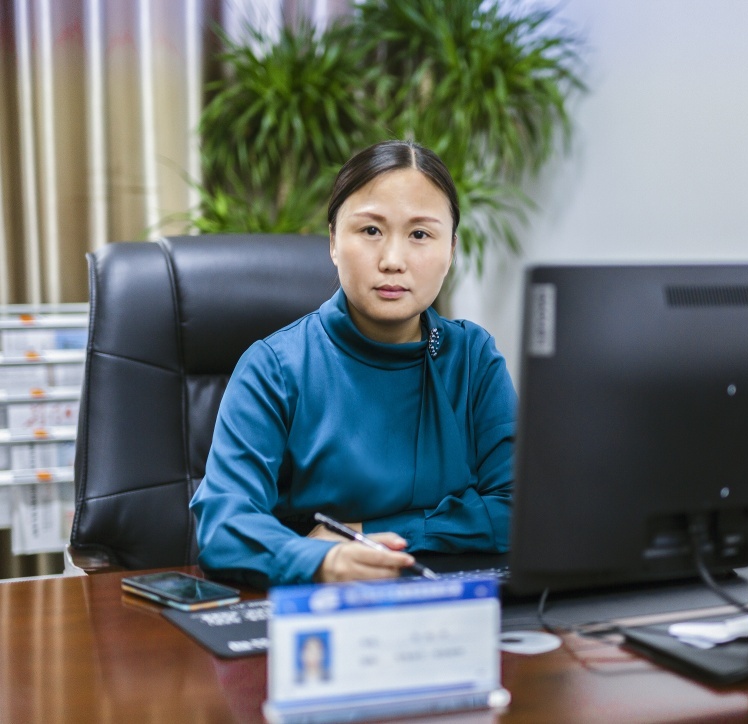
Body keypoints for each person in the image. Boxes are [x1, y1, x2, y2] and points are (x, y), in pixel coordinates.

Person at [190, 140, 517, 588]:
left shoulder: (473, 358)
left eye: (420, 235)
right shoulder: (274, 368)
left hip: (450, 604)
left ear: (452, 250)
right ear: (332, 241)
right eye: (370, 230)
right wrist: (323, 561)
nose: (393, 261)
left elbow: (520, 510)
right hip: (318, 608)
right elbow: (223, 527)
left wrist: (367, 536)